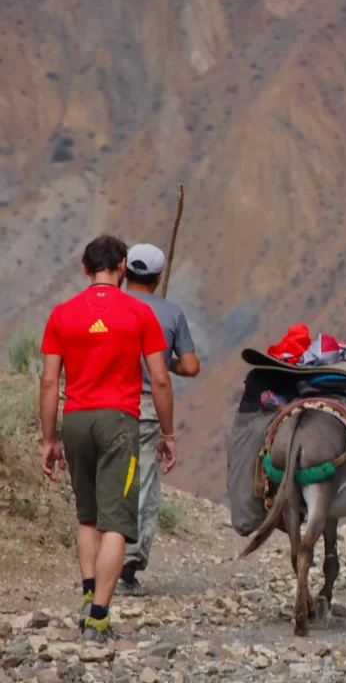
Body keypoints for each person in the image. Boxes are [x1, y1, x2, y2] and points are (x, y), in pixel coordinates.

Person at [39, 234, 174, 644]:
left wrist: (49, 439)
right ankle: (98, 617)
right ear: (121, 268)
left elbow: (49, 382)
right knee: (116, 522)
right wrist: (168, 433)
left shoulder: (61, 313)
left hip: (76, 420)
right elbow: (162, 379)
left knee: (87, 516)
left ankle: (87, 594)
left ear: (85, 269)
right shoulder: (139, 313)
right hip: (119, 422)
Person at [116, 243, 199, 596]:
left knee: (108, 478)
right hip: (146, 410)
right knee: (142, 482)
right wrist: (165, 360)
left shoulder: (107, 306)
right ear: (159, 277)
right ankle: (126, 568)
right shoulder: (171, 313)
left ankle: (95, 562)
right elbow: (191, 366)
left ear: (124, 271)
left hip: (102, 402)